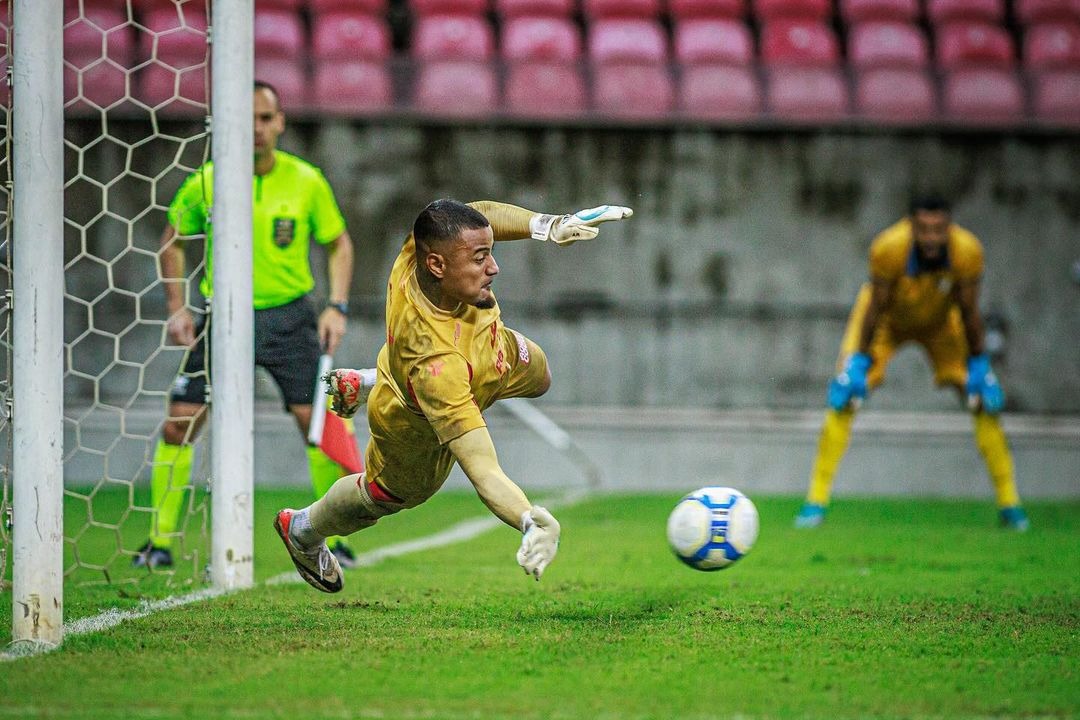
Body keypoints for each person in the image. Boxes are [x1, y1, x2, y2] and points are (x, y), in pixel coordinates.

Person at [273, 199, 633, 592]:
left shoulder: (421, 248)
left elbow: (478, 214)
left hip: (486, 351)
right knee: (383, 495)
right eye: (480, 259)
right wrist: (528, 520)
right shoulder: (435, 367)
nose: (494, 267)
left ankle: (377, 378)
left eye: (489, 254)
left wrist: (549, 225)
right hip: (418, 419)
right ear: (438, 267)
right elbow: (483, 470)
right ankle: (302, 529)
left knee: (542, 376)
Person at [134, 81, 359, 569]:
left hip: (290, 316)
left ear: (279, 123)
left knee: (320, 423)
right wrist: (178, 307)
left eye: (264, 118)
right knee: (180, 422)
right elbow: (171, 240)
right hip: (223, 315)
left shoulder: (306, 180)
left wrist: (336, 306)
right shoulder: (209, 181)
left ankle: (333, 537)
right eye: (247, 119)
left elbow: (339, 243)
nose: (256, 129)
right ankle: (159, 544)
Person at [794, 196, 1030, 531]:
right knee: (845, 395)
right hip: (886, 323)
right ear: (911, 226)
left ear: (949, 227)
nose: (931, 238)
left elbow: (969, 310)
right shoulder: (889, 247)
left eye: (939, 230)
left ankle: (1010, 504)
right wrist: (858, 362)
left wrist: (980, 365)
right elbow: (875, 306)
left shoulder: (967, 251)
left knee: (981, 401)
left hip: (941, 324)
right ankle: (814, 502)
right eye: (924, 229)